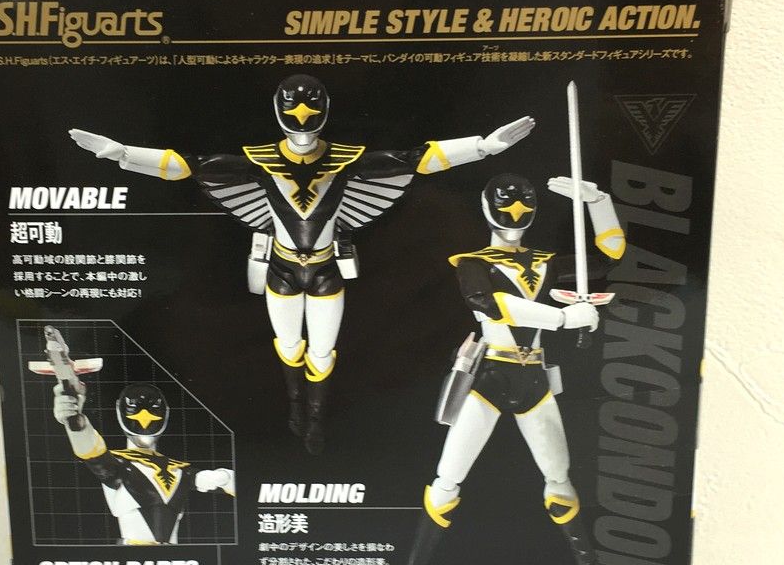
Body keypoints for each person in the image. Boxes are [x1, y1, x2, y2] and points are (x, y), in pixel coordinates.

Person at [70, 74, 534, 453]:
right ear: (279, 113)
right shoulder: (260, 162)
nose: (303, 120)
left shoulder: (346, 160)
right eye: (294, 110)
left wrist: (482, 147)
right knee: (290, 346)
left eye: (311, 109)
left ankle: (314, 417)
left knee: (322, 352)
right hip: (284, 268)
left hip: (326, 268)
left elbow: (416, 160)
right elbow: (189, 165)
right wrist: (123, 154)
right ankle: (297, 407)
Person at [388, 172, 632, 565]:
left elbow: (608, 257)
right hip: (490, 377)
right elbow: (488, 304)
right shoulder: (473, 262)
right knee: (448, 477)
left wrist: (599, 205)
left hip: (533, 376)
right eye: (506, 206)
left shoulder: (547, 262)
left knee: (558, 475)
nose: (515, 214)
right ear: (486, 208)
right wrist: (563, 319)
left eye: (523, 206)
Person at [54, 380, 234, 545]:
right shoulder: (117, 464)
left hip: (172, 560)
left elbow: (236, 484)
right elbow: (91, 450)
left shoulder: (180, 470)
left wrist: (225, 476)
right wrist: (74, 421)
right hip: (134, 556)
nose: (145, 416)